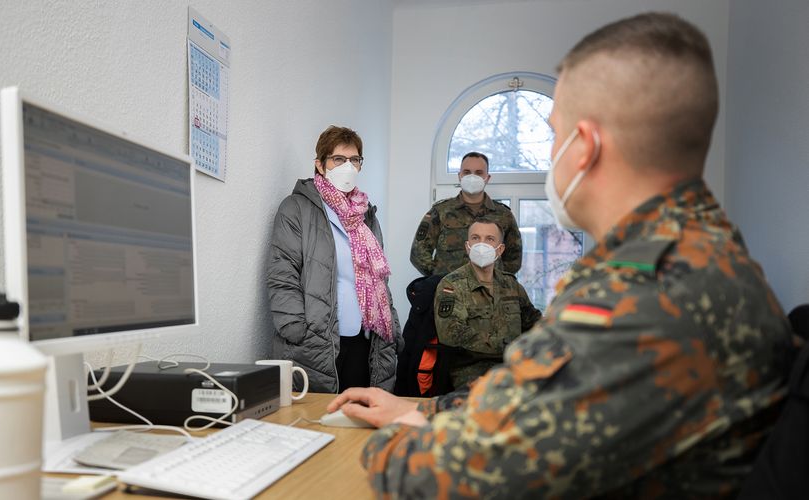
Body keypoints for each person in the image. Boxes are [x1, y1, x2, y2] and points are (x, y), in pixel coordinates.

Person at [327, 12, 795, 497]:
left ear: (587, 146)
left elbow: (458, 475)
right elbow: (537, 397)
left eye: (555, 135)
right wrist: (418, 409)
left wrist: (371, 448)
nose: (552, 157)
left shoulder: (646, 294)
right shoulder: (702, 253)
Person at [266, 126, 400, 393]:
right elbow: (283, 274)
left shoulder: (365, 215)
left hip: (365, 340)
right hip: (317, 341)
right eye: (339, 159)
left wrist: (393, 328)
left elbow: (379, 280)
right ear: (320, 164)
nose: (347, 166)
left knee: (358, 421)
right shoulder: (297, 208)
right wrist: (295, 328)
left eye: (354, 159)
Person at [435, 219, 541, 389]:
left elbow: (534, 321)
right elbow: (451, 333)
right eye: (476, 238)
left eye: (489, 239)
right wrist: (506, 346)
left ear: (500, 249)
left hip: (513, 366)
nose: (481, 244)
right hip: (472, 370)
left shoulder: (511, 284)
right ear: (467, 245)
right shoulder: (451, 285)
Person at [410, 152, 523, 276]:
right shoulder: (441, 211)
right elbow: (418, 252)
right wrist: (438, 278)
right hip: (449, 290)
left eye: (479, 173)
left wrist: (498, 279)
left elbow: (514, 257)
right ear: (460, 176)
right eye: (467, 172)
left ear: (488, 178)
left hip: (490, 292)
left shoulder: (503, 215)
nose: (472, 177)